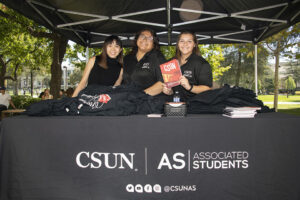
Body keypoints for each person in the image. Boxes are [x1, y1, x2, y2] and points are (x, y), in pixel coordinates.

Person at [163, 31, 212, 101]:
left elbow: (208, 89)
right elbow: (172, 90)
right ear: (178, 44)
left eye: (189, 41)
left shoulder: (202, 63)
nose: (185, 44)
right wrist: (169, 91)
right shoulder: (170, 63)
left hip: (195, 105)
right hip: (174, 105)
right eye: (182, 41)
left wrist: (190, 87)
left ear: (194, 44)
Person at [123, 28, 166, 96]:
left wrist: (139, 95)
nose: (145, 39)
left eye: (150, 38)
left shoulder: (158, 57)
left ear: (154, 43)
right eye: (142, 36)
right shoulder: (126, 58)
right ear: (136, 39)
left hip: (149, 101)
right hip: (126, 100)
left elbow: (163, 83)